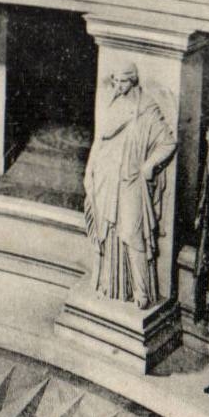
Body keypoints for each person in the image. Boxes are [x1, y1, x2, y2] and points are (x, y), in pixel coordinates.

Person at [83, 61, 177, 309]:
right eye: (115, 81)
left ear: (133, 80)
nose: (118, 86)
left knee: (134, 235)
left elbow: (168, 143)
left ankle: (142, 291)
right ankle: (108, 282)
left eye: (123, 81)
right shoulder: (112, 104)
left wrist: (149, 166)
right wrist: (90, 169)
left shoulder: (147, 109)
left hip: (131, 181)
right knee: (106, 229)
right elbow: (99, 140)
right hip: (107, 177)